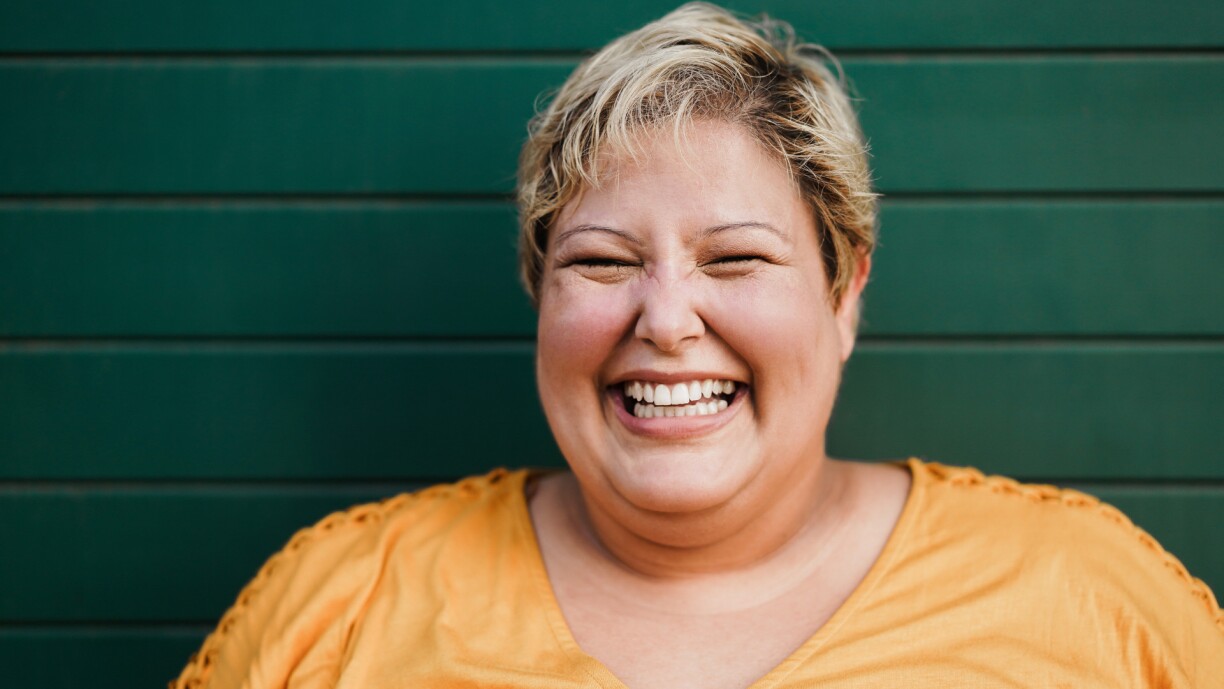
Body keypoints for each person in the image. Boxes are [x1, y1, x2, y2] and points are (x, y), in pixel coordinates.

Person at [172, 4, 1223, 687]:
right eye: (600, 261)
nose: (666, 319)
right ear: (539, 291)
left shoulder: (1098, 606)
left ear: (844, 294)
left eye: (735, 258)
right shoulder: (337, 609)